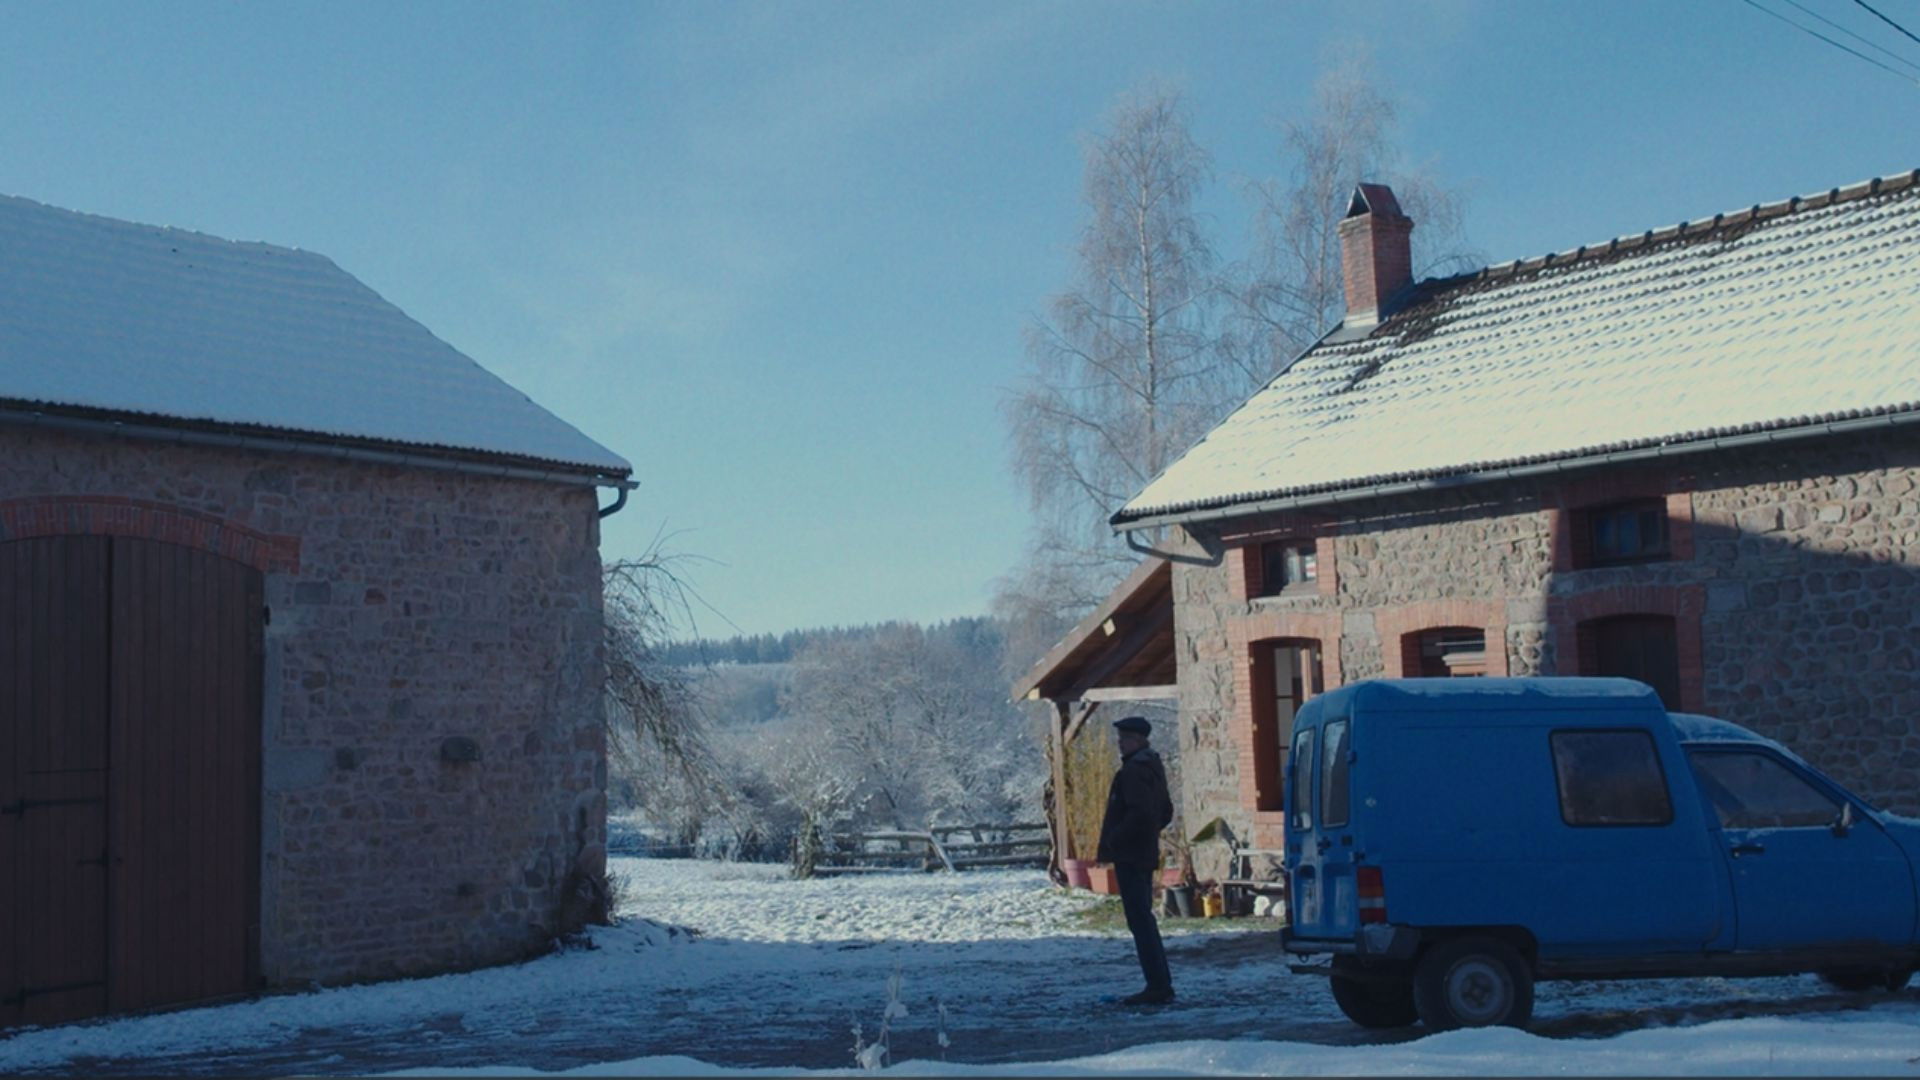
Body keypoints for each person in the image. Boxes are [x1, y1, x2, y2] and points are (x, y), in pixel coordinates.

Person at [1095, 714, 1176, 1006]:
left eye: (1126, 738)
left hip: (1131, 854)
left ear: (1139, 739)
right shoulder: (1153, 767)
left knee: (1140, 920)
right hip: (1144, 852)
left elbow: (1140, 812)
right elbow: (1165, 811)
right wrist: (1149, 833)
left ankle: (1157, 985)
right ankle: (1159, 983)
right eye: (1120, 738)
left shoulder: (1133, 771)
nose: (1121, 743)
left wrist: (1116, 838)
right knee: (1144, 919)